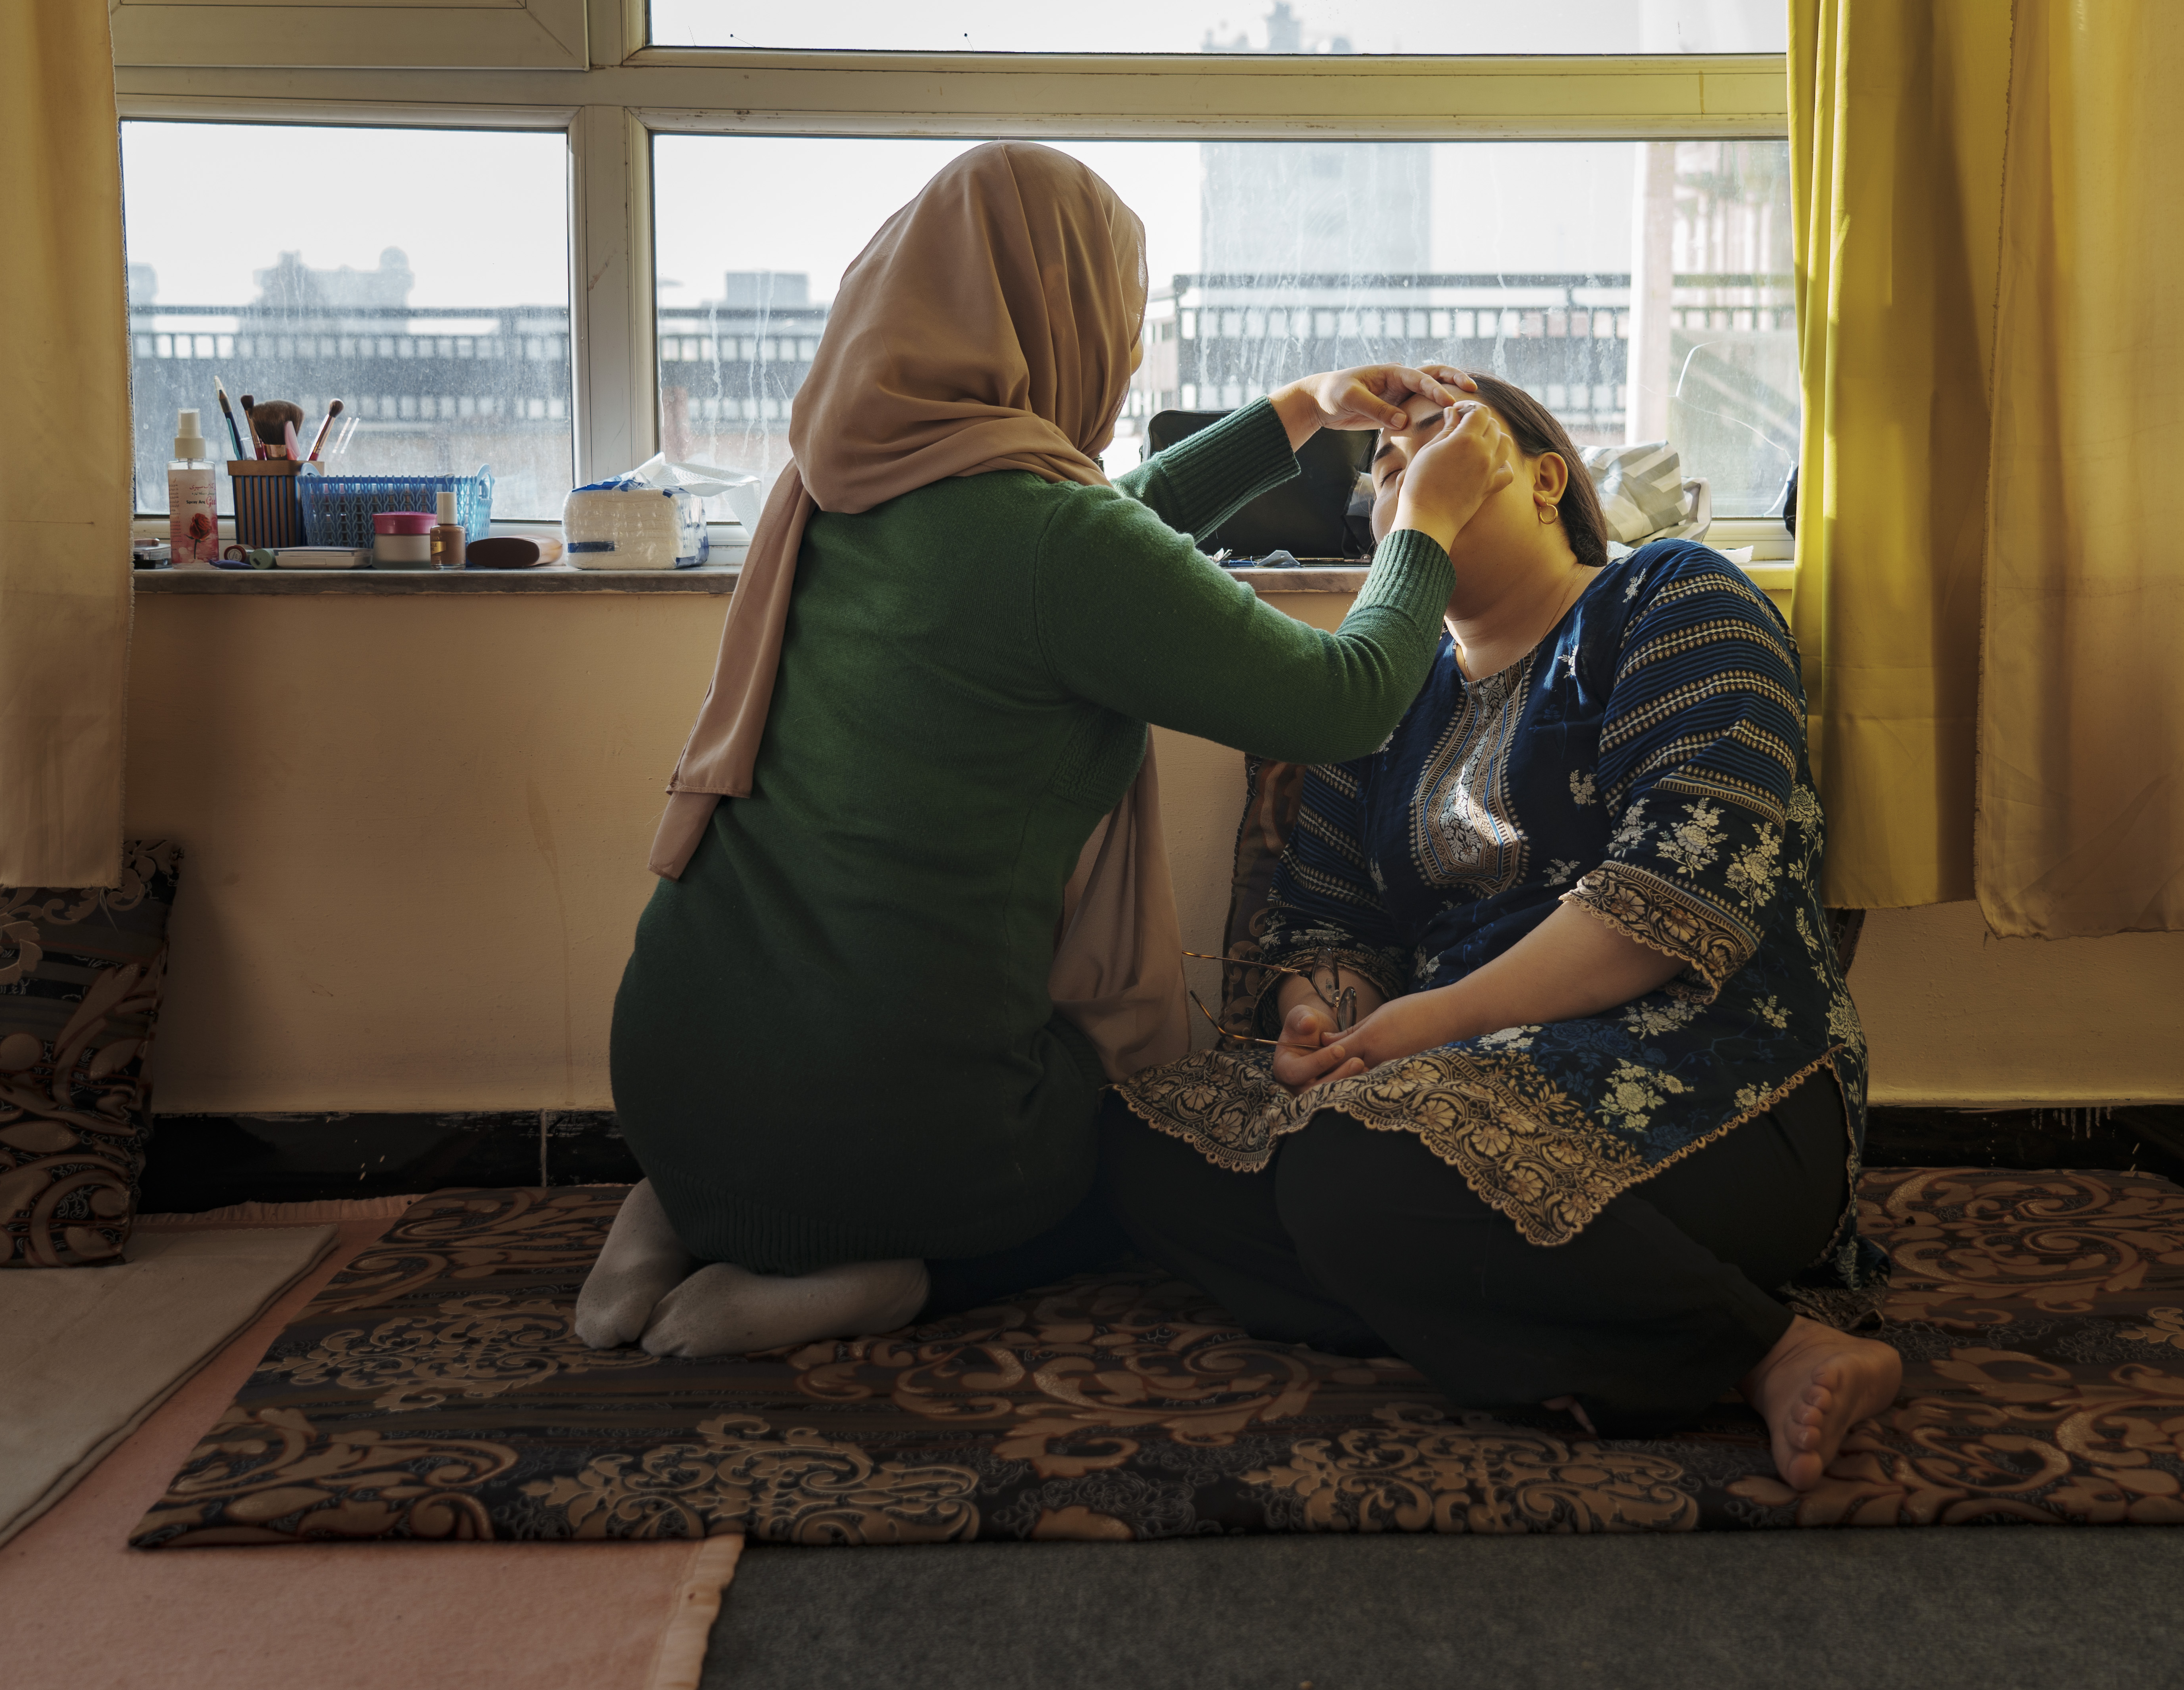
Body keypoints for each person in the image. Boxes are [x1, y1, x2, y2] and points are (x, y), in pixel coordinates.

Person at [577, 141, 1520, 1360]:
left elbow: (1097, 537)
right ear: (1058, 318)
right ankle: (884, 1280)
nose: (1124, 357)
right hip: (879, 1123)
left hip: (673, 1079)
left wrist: (1301, 411)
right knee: (1135, 1159)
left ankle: (671, 1213)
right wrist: (1425, 525)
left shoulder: (848, 477)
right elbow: (1344, 702)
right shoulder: (1048, 542)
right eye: (1121, 322)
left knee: (778, 1106)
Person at [1110, 374, 1899, 1491]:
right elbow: (1333, 920)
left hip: (1713, 1074)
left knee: (1358, 1170)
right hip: (1441, 1080)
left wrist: (1419, 1031)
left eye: (1440, 441)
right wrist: (1324, 1025)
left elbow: (1670, 900)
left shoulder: (1675, 596)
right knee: (1151, 1145)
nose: (1407, 471)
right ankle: (1542, 1321)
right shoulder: (1381, 699)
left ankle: (1766, 1351)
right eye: (1387, 470)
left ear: (1544, 479)